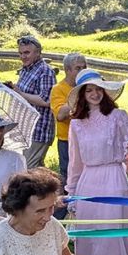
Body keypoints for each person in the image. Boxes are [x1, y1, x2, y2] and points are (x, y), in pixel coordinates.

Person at [66, 69, 128, 255]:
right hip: (89, 181)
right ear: (82, 95)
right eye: (89, 90)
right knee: (93, 238)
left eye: (98, 88)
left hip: (114, 178)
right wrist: (72, 194)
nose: (94, 93)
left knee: (117, 235)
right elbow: (74, 163)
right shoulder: (76, 124)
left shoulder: (118, 116)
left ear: (104, 91)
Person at [11, 34, 57, 169]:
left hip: (39, 130)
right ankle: (55, 188)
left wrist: (20, 93)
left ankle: (61, 187)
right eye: (20, 53)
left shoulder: (45, 71)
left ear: (38, 53)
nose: (23, 56)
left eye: (27, 53)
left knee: (28, 170)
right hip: (25, 128)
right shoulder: (26, 69)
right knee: (35, 169)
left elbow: (46, 100)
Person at [49, 52, 88, 195]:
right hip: (68, 141)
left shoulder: (89, 87)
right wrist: (77, 95)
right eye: (78, 68)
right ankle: (64, 211)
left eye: (85, 67)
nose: (82, 71)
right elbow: (60, 115)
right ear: (67, 70)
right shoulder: (58, 89)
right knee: (69, 178)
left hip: (88, 138)